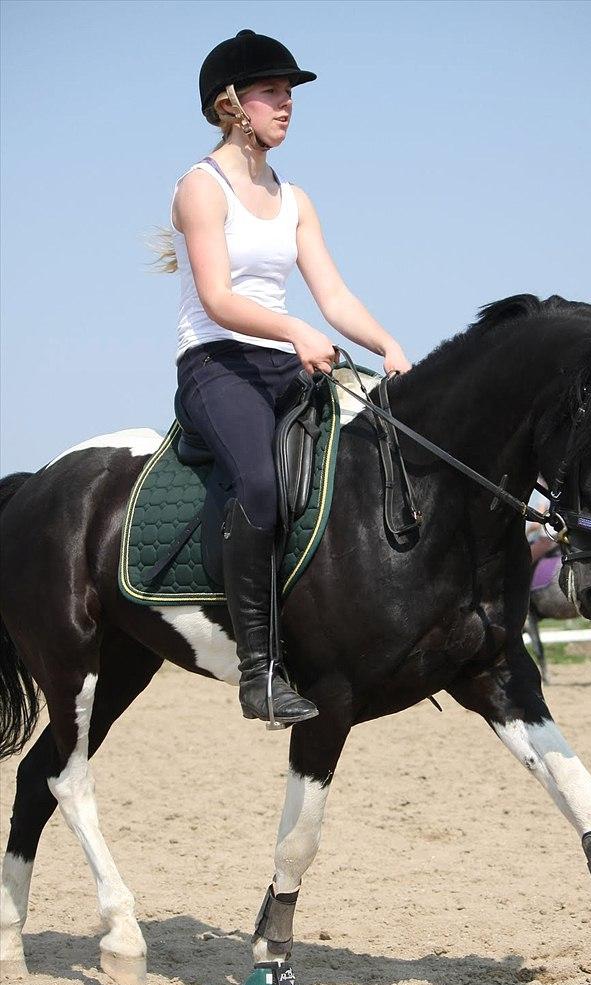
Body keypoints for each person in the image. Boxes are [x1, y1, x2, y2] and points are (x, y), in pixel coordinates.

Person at [164, 29, 411, 727]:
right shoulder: (199, 188)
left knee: (364, 466)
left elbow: (333, 297)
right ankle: (259, 674)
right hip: (217, 365)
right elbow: (217, 297)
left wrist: (388, 342)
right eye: (272, 91)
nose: (287, 104)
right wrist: (297, 329)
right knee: (262, 484)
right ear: (231, 104)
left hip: (282, 363)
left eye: (290, 93)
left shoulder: (294, 196)